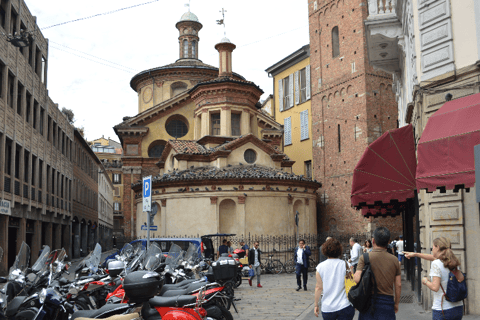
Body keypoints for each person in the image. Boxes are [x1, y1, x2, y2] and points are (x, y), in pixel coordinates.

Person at [404, 237, 464, 320]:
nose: (432, 250)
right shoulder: (453, 261)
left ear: (438, 247)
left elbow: (435, 287)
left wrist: (425, 281)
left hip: (442, 309)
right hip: (458, 308)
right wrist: (415, 254)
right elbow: (461, 279)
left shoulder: (436, 264)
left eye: (433, 247)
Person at [353, 227, 401, 320]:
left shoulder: (364, 257)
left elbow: (357, 279)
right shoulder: (394, 260)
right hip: (387, 302)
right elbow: (398, 285)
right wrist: (396, 303)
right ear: (388, 242)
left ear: (373, 241)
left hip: (368, 302)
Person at [314, 238, 355, 319]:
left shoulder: (320, 267)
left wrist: (316, 305)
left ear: (325, 250)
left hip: (328, 307)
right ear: (339, 250)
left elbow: (318, 288)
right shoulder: (346, 265)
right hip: (345, 305)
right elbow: (352, 284)